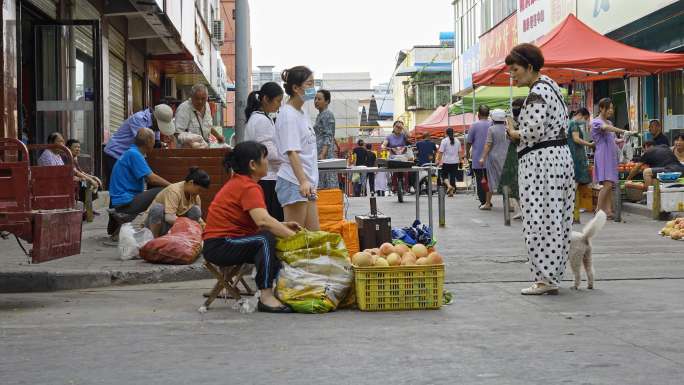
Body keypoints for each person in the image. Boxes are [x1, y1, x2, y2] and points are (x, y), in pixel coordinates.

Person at [504, 43, 575, 295]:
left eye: (515, 69)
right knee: (556, 218)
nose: (512, 75)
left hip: (541, 162)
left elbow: (532, 132)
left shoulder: (536, 92)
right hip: (559, 158)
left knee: (539, 219)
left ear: (529, 67)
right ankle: (552, 276)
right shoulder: (552, 87)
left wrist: (513, 132)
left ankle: (544, 280)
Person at [202, 141, 301, 313]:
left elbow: (261, 220)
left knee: (267, 236)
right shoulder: (247, 186)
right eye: (264, 158)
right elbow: (263, 222)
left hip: (222, 242)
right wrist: (298, 240)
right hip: (220, 245)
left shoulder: (243, 183)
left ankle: (279, 288)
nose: (267, 162)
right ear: (253, 165)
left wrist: (283, 226)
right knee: (265, 239)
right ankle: (266, 296)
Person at [274, 66, 320, 230]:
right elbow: (291, 151)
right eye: (309, 84)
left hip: (306, 183)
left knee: (314, 238)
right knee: (295, 240)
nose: (313, 88)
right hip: (295, 182)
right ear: (295, 87)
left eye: (313, 83)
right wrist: (302, 181)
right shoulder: (288, 115)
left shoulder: (302, 112)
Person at [107, 128, 171, 238]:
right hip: (125, 202)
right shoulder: (134, 154)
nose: (154, 142)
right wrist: (172, 186)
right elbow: (152, 178)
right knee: (164, 191)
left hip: (123, 200)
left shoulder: (132, 152)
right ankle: (154, 230)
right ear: (149, 141)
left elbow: (147, 178)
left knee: (160, 191)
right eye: (153, 140)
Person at [103, 104, 174, 189]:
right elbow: (144, 142)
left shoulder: (154, 126)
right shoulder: (139, 119)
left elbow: (155, 143)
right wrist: (172, 186)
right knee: (117, 186)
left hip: (127, 155)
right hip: (115, 153)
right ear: (155, 119)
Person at [244, 81, 285, 221]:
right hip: (268, 179)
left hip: (265, 177)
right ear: (266, 99)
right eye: (278, 101)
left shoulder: (260, 118)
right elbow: (269, 152)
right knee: (272, 221)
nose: (280, 104)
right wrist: (288, 158)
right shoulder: (261, 120)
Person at [591, 98, 631, 218]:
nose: (611, 110)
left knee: (610, 184)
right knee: (607, 184)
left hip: (611, 155)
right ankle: (598, 210)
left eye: (612, 108)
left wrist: (623, 139)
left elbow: (612, 139)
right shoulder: (596, 122)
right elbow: (605, 128)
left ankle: (608, 210)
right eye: (609, 108)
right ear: (602, 108)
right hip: (603, 155)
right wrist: (623, 130)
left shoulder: (610, 123)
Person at [143, 167, 209, 238]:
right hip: (158, 224)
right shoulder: (174, 191)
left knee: (196, 210)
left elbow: (198, 218)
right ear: (191, 183)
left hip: (174, 226)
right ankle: (154, 239)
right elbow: (169, 217)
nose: (199, 193)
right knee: (157, 208)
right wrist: (188, 223)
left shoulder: (195, 196)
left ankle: (188, 239)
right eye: (199, 190)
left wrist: (205, 227)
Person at [499, 98, 525, 220]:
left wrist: (510, 129)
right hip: (515, 152)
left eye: (516, 107)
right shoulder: (517, 119)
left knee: (516, 182)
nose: (515, 110)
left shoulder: (519, 121)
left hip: (518, 153)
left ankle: (522, 209)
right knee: (514, 183)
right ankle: (520, 208)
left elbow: (514, 138)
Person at [480, 109, 511, 209]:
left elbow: (488, 144)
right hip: (507, 157)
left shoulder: (491, 129)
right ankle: (508, 204)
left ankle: (488, 203)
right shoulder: (508, 128)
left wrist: (483, 158)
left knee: (491, 180)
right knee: (506, 180)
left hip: (494, 158)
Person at [466, 105, 492, 209]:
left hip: (478, 158)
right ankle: (488, 201)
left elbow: (469, 142)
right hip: (490, 157)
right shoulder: (492, 124)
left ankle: (483, 201)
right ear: (488, 114)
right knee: (489, 180)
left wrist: (467, 153)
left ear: (478, 114)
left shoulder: (474, 125)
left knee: (480, 181)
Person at [66, 139, 102, 209]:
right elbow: (75, 172)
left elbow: (80, 171)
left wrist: (93, 177)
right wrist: (90, 180)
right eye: (75, 147)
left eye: (79, 147)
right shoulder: (67, 158)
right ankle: (86, 209)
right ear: (68, 148)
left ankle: (87, 208)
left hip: (77, 180)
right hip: (71, 181)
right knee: (87, 184)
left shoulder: (74, 158)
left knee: (93, 183)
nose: (78, 149)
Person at [314, 88, 338, 189]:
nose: (316, 101)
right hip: (320, 152)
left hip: (325, 154)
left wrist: (323, 154)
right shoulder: (320, 115)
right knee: (321, 178)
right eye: (315, 99)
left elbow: (328, 135)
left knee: (327, 178)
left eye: (319, 99)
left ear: (327, 101)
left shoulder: (327, 114)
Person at [381, 120, 412, 194]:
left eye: (400, 127)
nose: (398, 128)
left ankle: (407, 187)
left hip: (403, 156)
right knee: (393, 170)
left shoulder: (403, 135)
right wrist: (383, 146)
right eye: (397, 126)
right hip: (393, 156)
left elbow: (409, 135)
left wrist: (403, 127)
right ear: (393, 127)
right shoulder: (389, 136)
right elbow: (384, 144)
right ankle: (393, 186)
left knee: (407, 171)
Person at [567, 108, 594, 187]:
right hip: (575, 156)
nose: (584, 121)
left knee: (573, 181)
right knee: (575, 181)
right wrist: (590, 144)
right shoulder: (573, 124)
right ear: (579, 115)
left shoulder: (569, 123)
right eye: (585, 118)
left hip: (573, 154)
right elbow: (576, 139)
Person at [436, 127, 462, 197]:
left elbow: (440, 152)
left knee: (444, 175)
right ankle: (451, 193)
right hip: (455, 162)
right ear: (453, 133)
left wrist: (438, 160)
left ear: (446, 133)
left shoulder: (444, 141)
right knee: (453, 177)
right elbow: (459, 152)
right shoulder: (457, 141)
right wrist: (461, 161)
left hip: (446, 162)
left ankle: (448, 186)